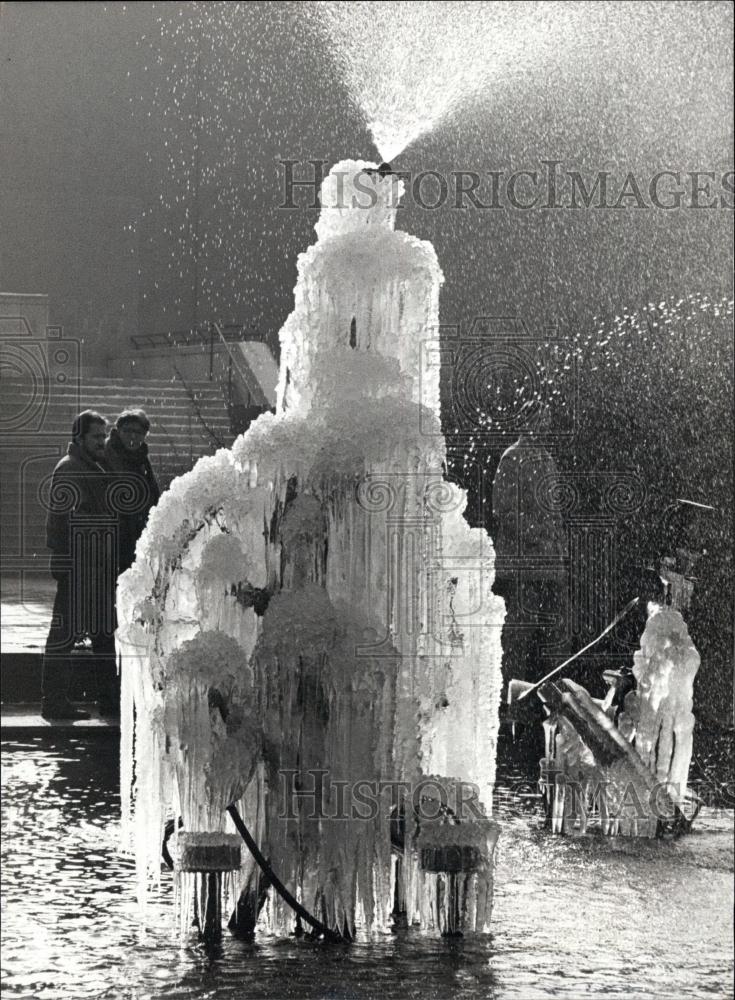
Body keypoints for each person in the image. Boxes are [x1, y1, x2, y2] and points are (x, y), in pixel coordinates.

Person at [42, 410, 119, 719]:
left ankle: (108, 700)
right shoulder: (72, 469)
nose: (103, 441)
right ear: (80, 438)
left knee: (101, 636)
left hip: (93, 567)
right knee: (65, 637)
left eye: (104, 435)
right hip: (80, 567)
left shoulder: (88, 465)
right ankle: (56, 702)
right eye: (96, 436)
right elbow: (60, 522)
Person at [103, 409, 160, 575]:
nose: (133, 436)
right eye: (127, 431)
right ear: (118, 431)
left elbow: (153, 493)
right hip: (113, 534)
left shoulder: (141, 457)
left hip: (134, 532)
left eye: (138, 432)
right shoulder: (107, 454)